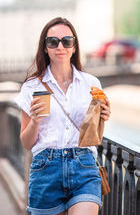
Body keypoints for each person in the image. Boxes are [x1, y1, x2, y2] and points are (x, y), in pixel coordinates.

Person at [15, 17, 111, 215]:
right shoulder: (31, 87)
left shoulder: (91, 84)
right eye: (53, 41)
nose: (60, 46)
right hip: (46, 170)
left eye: (67, 41)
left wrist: (103, 116)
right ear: (45, 48)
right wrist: (34, 121)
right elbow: (26, 142)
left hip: (84, 165)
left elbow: (94, 130)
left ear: (74, 47)